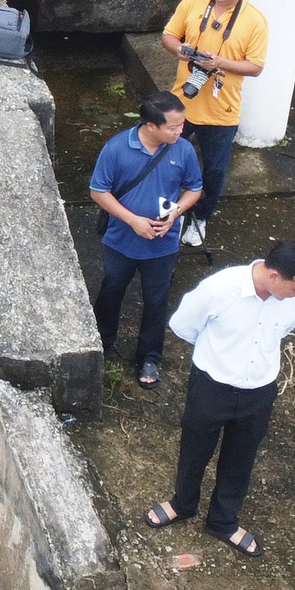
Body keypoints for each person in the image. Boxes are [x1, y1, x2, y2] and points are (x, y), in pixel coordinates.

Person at [142, 240, 295, 558]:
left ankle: (223, 521)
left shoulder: (294, 295)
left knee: (242, 456)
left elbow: (285, 328)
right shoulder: (218, 289)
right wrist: (218, 354)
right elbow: (183, 325)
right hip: (212, 386)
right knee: (195, 450)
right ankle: (183, 504)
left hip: (260, 389)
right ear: (275, 276)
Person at [87, 92, 207, 389]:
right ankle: (101, 340)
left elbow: (194, 188)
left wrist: (176, 211)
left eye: (182, 125)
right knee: (112, 288)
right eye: (174, 127)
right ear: (151, 125)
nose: (181, 131)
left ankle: (149, 356)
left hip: (163, 244)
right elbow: (98, 192)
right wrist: (133, 220)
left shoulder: (183, 150)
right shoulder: (116, 149)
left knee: (157, 299)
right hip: (120, 240)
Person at [158, 0, 268, 249]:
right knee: (161, 156)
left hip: (222, 110)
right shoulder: (193, 3)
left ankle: (201, 217)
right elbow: (169, 36)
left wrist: (219, 63)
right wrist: (180, 50)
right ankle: (167, 208)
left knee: (215, 170)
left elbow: (256, 66)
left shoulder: (255, 21)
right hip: (183, 100)